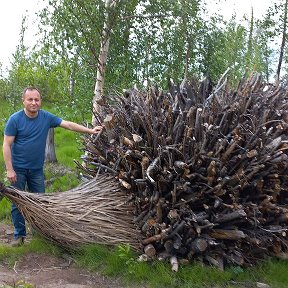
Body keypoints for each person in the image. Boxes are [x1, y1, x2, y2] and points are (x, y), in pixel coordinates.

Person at [2, 86, 103, 246]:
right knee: (18, 203)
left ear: (40, 101)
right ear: (24, 101)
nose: (34, 102)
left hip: (36, 170)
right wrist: (9, 169)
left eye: (37, 99)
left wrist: (90, 131)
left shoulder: (46, 117)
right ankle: (19, 236)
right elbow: (6, 145)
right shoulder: (15, 119)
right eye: (30, 99)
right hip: (18, 170)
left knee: (40, 202)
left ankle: (39, 234)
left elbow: (68, 125)